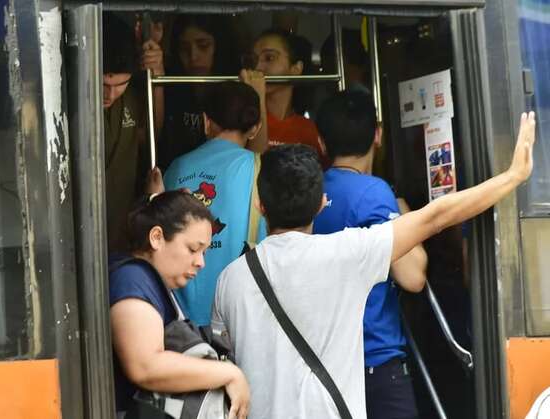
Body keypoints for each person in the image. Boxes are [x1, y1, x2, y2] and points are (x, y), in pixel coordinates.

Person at [212, 111, 536, 419]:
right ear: (322, 204)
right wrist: (513, 176)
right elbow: (437, 215)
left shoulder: (230, 279)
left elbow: (223, 360)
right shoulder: (348, 255)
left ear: (260, 204)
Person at [313, 88, 428, 419]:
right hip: (373, 359)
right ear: (378, 134)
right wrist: (406, 218)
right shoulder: (373, 192)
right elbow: (413, 277)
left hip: (321, 361)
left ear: (321, 142)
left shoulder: (307, 190)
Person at [109, 191, 250, 418]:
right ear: (156, 237)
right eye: (193, 249)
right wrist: (229, 373)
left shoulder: (148, 281)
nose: (200, 262)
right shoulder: (132, 280)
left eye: (204, 252)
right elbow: (146, 366)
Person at [163, 81, 267, 326]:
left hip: (183, 317)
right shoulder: (261, 169)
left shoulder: (177, 167)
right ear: (254, 129)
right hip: (240, 313)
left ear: (206, 121)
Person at [156, 14, 243, 170]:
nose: (193, 57)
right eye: (184, 48)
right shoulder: (171, 86)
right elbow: (155, 135)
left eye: (203, 46)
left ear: (220, 46)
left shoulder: (236, 89)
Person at [103, 13, 155, 254]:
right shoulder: (70, 104)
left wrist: (157, 72)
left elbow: (157, 128)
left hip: (121, 235)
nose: (110, 95)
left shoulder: (134, 97)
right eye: (103, 85)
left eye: (119, 85)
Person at [247, 28, 327, 165]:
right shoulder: (244, 122)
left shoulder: (308, 130)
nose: (258, 67)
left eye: (269, 58)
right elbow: (252, 172)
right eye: (254, 60)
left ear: (296, 69)